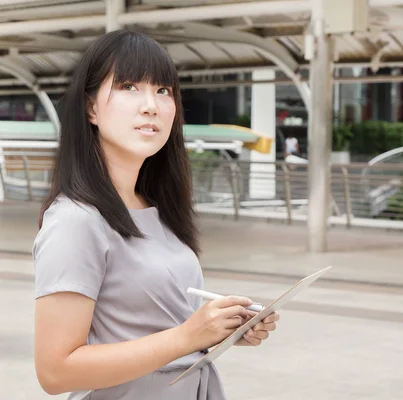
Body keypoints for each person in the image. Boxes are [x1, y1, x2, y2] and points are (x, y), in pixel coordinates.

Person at [32, 29, 279, 400]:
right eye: (129, 86)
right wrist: (186, 336)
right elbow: (55, 370)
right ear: (91, 108)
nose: (151, 104)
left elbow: (154, 331)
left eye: (163, 90)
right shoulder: (75, 220)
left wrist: (217, 330)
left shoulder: (157, 210)